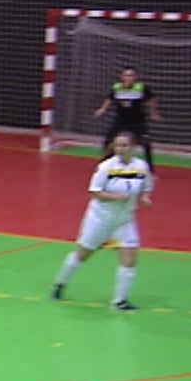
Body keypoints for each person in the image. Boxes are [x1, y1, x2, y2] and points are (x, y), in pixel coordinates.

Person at [51, 131, 154, 310]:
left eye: (124, 146)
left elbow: (146, 186)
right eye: (117, 146)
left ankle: (119, 301)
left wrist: (145, 198)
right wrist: (115, 197)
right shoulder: (106, 167)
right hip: (100, 219)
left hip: (124, 220)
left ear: (133, 147)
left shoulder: (141, 167)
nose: (120, 149)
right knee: (83, 254)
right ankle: (60, 283)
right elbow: (94, 191)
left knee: (129, 258)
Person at [94, 67, 161, 174]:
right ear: (122, 77)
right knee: (108, 141)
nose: (129, 78)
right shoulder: (117, 88)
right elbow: (109, 99)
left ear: (135, 77)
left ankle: (150, 170)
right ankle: (103, 165)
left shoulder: (141, 88)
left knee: (146, 143)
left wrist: (154, 113)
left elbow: (152, 99)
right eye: (126, 75)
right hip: (121, 120)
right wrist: (102, 109)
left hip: (137, 121)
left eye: (131, 75)